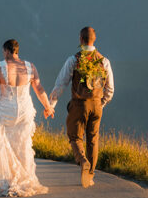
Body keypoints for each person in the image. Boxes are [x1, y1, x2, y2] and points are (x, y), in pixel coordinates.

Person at [0, 39, 54, 197]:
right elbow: (39, 88)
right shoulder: (30, 67)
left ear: (7, 51)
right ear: (17, 50)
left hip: (5, 109)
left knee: (4, 144)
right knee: (23, 144)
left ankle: (6, 180)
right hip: (24, 110)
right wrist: (48, 107)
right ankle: (24, 178)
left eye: (4, 52)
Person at [48, 26, 115, 188]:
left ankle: (83, 161)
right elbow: (110, 89)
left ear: (80, 39)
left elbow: (61, 84)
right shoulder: (104, 61)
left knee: (75, 137)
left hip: (79, 104)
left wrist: (51, 105)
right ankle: (89, 176)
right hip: (97, 104)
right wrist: (101, 103)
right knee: (93, 140)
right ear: (94, 39)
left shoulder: (74, 60)